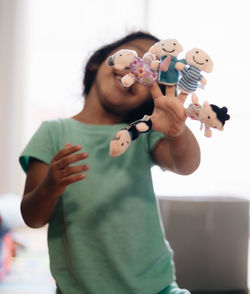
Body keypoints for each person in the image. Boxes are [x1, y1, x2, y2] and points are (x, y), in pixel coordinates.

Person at [19, 31, 200, 294]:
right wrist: (49, 187)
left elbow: (186, 165)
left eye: (151, 70)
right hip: (79, 288)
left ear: (150, 95)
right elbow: (32, 218)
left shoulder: (141, 131)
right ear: (99, 61)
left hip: (155, 286)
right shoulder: (52, 132)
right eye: (137, 56)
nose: (140, 70)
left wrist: (178, 132)